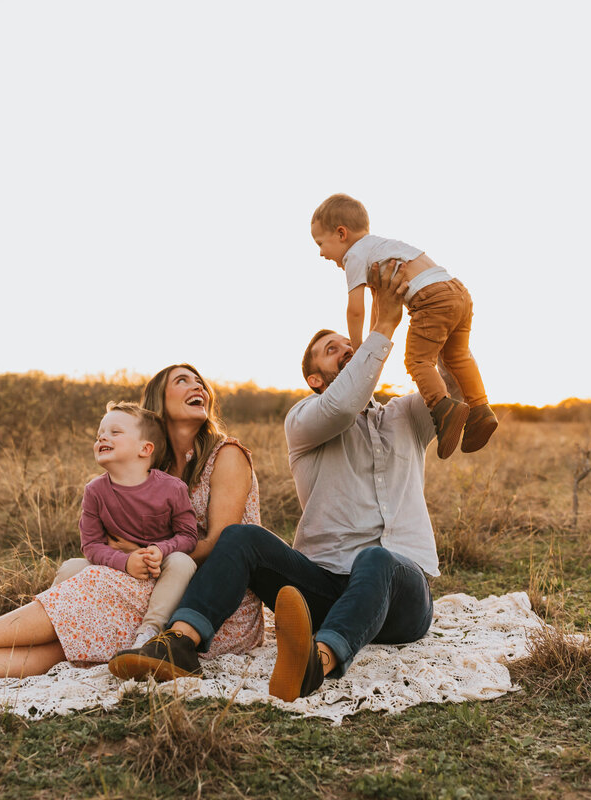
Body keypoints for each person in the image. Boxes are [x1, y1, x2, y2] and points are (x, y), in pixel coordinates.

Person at [108, 262, 459, 701]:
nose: (349, 350)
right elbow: (344, 403)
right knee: (241, 538)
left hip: (400, 593)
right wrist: (382, 326)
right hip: (325, 585)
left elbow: (455, 384)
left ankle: (316, 663)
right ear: (315, 379)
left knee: (377, 559)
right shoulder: (307, 419)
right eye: (334, 350)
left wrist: (434, 309)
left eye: (351, 345)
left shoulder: (405, 415)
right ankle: (178, 644)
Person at [0, 365, 264, 689]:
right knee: (68, 628)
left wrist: (139, 555)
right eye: (182, 379)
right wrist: (126, 556)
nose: (199, 385)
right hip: (156, 580)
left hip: (210, 605)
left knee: (95, 589)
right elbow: (104, 540)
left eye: (200, 380)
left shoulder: (225, 455)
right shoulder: (153, 468)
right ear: (159, 400)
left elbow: (222, 543)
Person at [310, 192, 497, 457]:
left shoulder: (354, 255)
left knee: (418, 361)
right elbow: (378, 306)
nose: (320, 253)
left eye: (320, 243)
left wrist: (360, 350)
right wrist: (375, 336)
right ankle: (481, 410)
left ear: (342, 233)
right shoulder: (382, 247)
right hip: (458, 291)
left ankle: (444, 409)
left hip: (430, 299)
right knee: (457, 355)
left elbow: (356, 310)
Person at [58, 401, 199, 649]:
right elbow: (90, 544)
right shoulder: (95, 491)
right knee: (70, 567)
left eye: (115, 432)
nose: (102, 437)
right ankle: (58, 626)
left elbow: (188, 535)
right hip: (118, 566)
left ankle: (150, 631)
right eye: (100, 434)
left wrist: (161, 550)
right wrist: (124, 561)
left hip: (158, 568)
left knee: (182, 562)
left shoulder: (172, 488)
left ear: (145, 449)